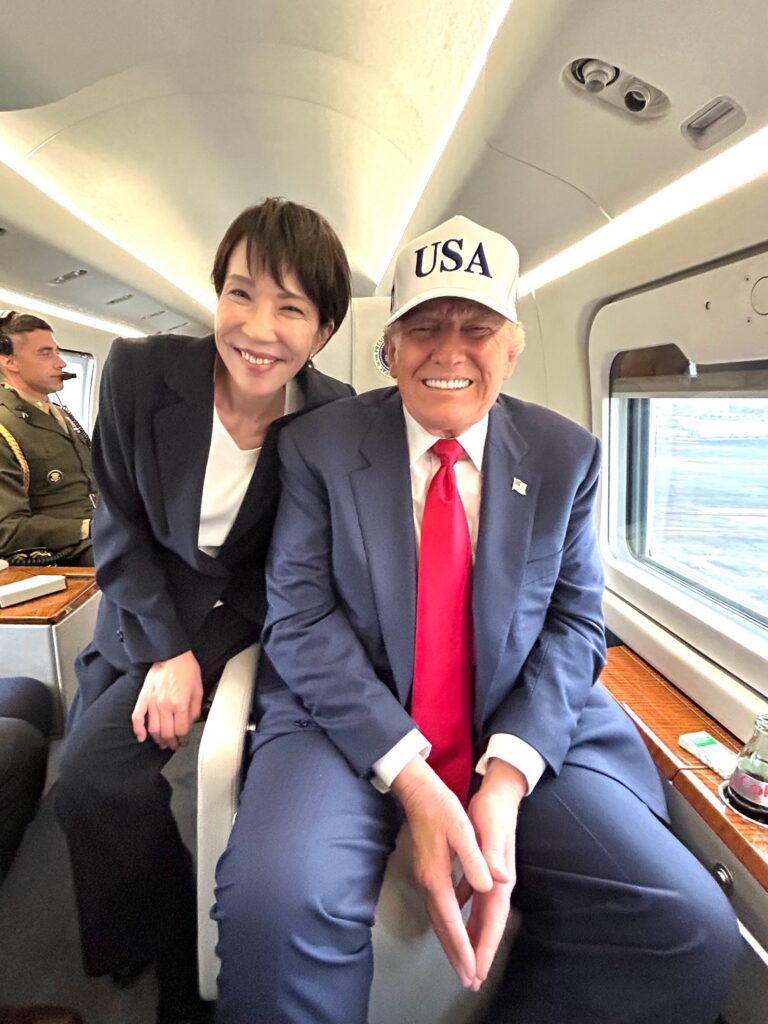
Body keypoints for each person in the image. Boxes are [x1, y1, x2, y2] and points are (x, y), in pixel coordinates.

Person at [214, 215, 741, 1024]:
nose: (449, 351)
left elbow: (573, 624)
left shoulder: (569, 456)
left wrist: (504, 781)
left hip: (517, 714)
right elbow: (302, 619)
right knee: (276, 906)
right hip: (348, 713)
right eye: (423, 327)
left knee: (686, 923)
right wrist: (417, 781)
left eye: (477, 328)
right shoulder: (317, 446)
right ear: (387, 348)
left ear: (514, 346)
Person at [54, 198, 354, 1024]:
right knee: (86, 783)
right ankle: (135, 938)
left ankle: (188, 965)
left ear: (323, 330)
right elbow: (114, 522)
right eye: (242, 294)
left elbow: (295, 565)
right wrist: (163, 653)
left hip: (244, 619)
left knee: (106, 775)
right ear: (215, 294)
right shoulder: (139, 371)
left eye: (291, 307)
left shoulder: (334, 417)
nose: (258, 328)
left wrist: (204, 652)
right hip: (143, 607)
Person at [0, 312, 95, 565]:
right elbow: (7, 530)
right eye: (45, 353)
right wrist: (88, 528)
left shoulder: (59, 415)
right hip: (64, 551)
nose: (61, 363)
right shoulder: (4, 426)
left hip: (105, 534)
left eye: (57, 351)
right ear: (9, 361)